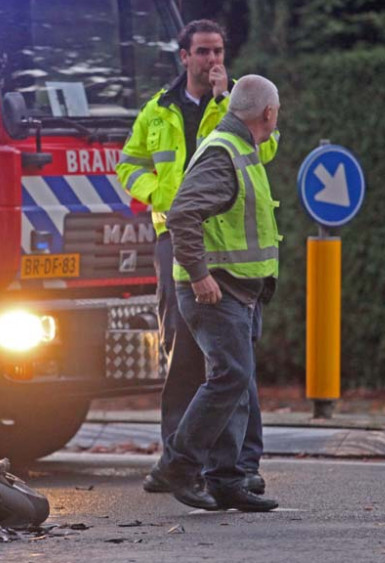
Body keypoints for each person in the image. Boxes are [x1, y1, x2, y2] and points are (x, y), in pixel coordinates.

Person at [116, 20, 277, 496]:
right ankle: (182, 459)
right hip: (179, 239)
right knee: (185, 354)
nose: (213, 60)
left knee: (234, 364)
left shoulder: (234, 107)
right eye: (204, 51)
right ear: (183, 56)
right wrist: (159, 196)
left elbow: (264, 147)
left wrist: (225, 101)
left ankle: (237, 467)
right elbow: (128, 164)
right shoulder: (158, 111)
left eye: (219, 51)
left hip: (223, 246)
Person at [156, 75, 282, 511]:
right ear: (268, 113)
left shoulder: (240, 146)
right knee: (229, 376)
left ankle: (226, 479)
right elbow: (183, 214)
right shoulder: (224, 152)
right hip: (217, 290)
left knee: (238, 380)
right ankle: (180, 464)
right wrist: (198, 274)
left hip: (241, 290)